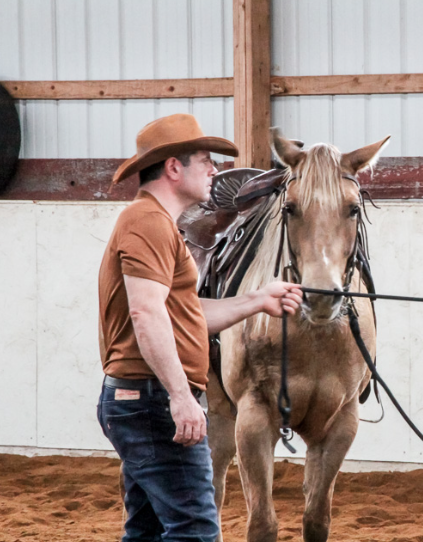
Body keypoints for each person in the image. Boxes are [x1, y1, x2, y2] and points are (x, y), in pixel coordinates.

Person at [97, 113, 302, 541]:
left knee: (147, 531)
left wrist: (256, 300)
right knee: (196, 530)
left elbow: (182, 314)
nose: (215, 169)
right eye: (206, 159)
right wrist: (180, 397)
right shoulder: (148, 222)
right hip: (153, 400)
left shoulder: (154, 223)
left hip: (142, 399)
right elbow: (146, 313)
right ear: (174, 167)